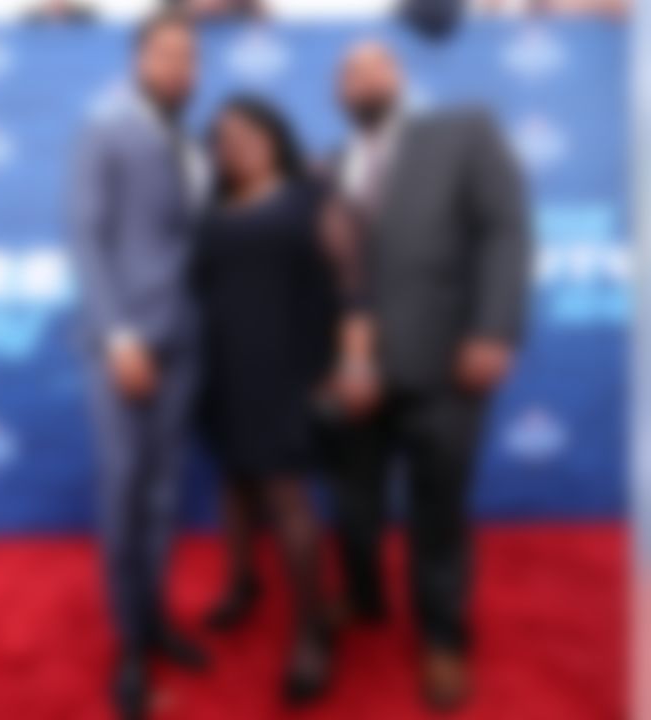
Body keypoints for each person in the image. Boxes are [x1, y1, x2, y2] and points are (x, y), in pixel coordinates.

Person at [323, 40, 531, 711]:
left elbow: (508, 232)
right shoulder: (328, 166)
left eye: (373, 65)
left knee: (438, 516)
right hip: (354, 377)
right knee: (355, 510)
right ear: (338, 96)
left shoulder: (463, 130)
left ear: (401, 76)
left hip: (446, 366)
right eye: (348, 74)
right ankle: (364, 601)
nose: (361, 79)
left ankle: (443, 640)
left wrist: (494, 329)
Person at [68, 12, 211, 720]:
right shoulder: (106, 126)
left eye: (190, 56)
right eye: (166, 53)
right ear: (137, 60)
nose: (181, 67)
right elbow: (87, 239)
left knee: (162, 497)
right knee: (124, 495)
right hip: (126, 347)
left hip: (185, 342)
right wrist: (119, 336)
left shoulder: (190, 142)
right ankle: (129, 645)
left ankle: (153, 619)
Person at [191, 96, 352, 706]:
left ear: (273, 133)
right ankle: (243, 585)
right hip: (222, 371)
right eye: (222, 137)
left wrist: (344, 359)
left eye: (247, 132)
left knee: (287, 498)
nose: (234, 144)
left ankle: (313, 630)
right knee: (233, 481)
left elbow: (349, 279)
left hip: (288, 371)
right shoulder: (211, 210)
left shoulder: (312, 195)